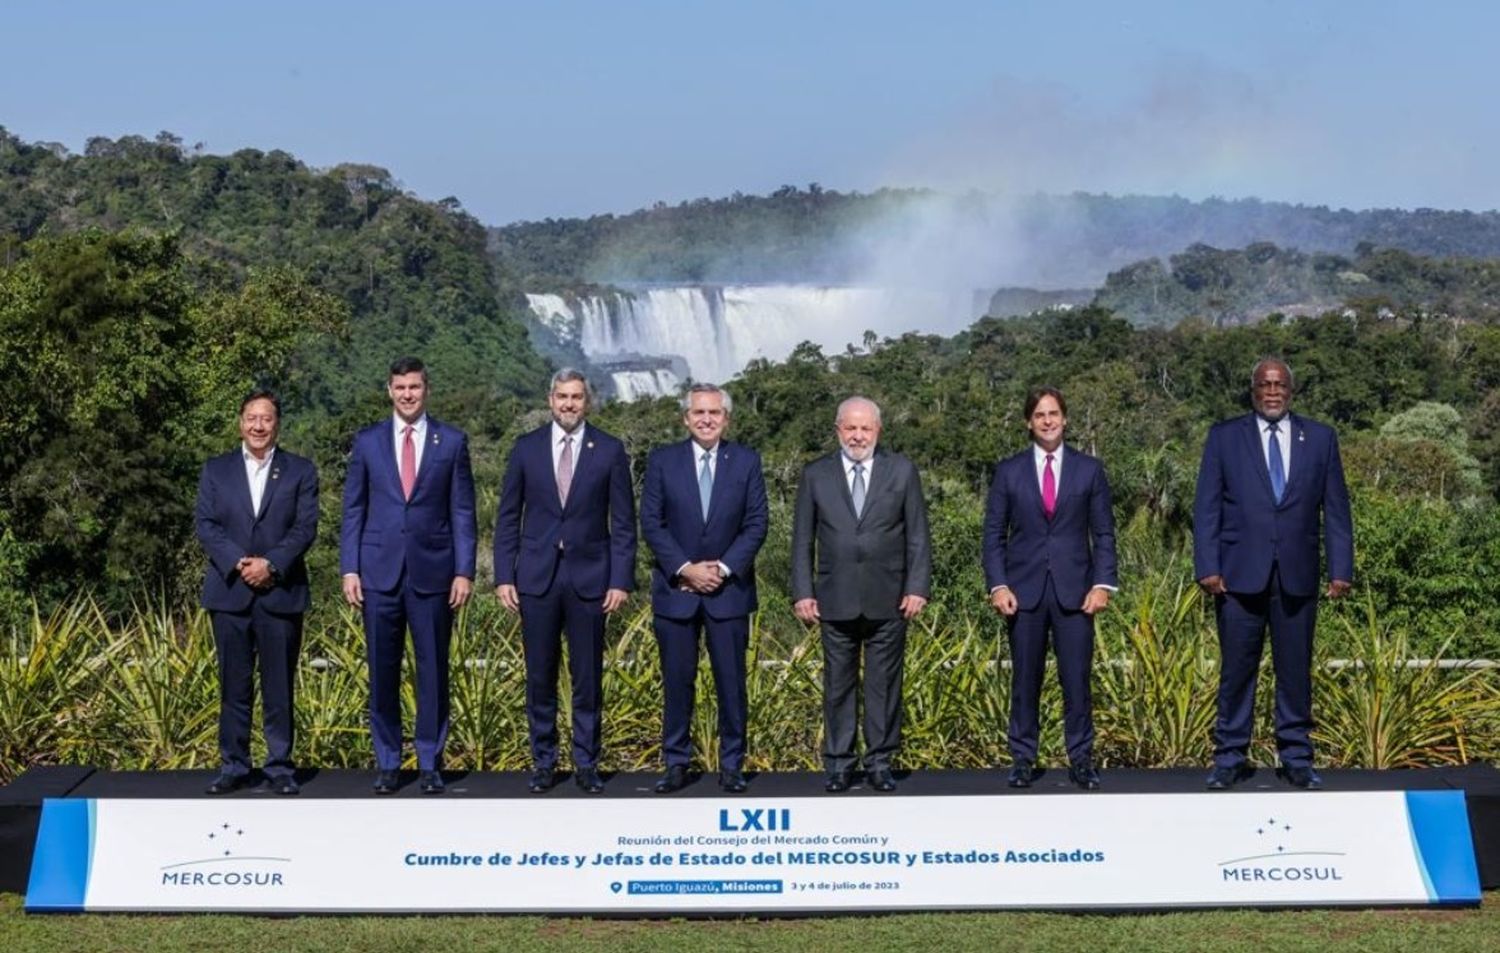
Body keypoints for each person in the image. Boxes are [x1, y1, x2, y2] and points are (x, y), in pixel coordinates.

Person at [1194, 357, 1353, 791]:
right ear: (1253, 390)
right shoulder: (1225, 437)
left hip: (1297, 575)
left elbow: (1336, 509)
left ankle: (1297, 757)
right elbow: (1206, 505)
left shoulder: (1320, 438)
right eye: (1264, 384)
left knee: (1295, 670)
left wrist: (1341, 568)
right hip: (1238, 576)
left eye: (1279, 384)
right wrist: (1207, 565)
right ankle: (1229, 758)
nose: (1272, 391)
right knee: (1236, 671)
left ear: (1291, 390)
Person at [494, 369, 636, 795]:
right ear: (550, 399)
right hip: (535, 579)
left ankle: (587, 762)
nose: (569, 404)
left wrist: (620, 579)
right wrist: (504, 575)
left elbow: (624, 524)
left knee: (588, 676)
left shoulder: (609, 450)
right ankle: (543, 762)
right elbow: (507, 518)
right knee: (540, 675)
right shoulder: (526, 448)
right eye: (562, 397)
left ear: (586, 401)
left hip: (591, 579)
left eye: (576, 397)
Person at [340, 357, 476, 795]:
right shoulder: (367, 442)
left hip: (434, 574)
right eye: (400, 387)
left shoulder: (451, 442)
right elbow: (354, 509)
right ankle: (387, 762)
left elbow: (462, 511)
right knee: (382, 669)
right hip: (378, 573)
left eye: (414, 387)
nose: (407, 394)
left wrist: (464, 570)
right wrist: (349, 567)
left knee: (433, 669)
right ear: (389, 390)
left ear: (426, 390)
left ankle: (430, 761)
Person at [791, 396, 931, 793]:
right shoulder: (815, 474)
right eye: (850, 428)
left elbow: (918, 535)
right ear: (838, 430)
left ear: (878, 431)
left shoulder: (902, 471)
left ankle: (880, 762)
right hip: (833, 598)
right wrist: (803, 591)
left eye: (865, 428)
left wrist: (917, 587)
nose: (857, 435)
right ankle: (838, 764)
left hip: (890, 598)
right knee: (838, 684)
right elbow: (801, 539)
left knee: (884, 684)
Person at [982, 387, 1118, 790]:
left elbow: (1104, 533)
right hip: (1022, 595)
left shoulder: (1089, 470)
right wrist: (998, 585)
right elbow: (993, 535)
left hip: (1076, 594)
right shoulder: (1008, 471)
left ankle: (1081, 759)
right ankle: (1023, 758)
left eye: (1054, 413)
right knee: (1025, 679)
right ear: (1028, 421)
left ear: (1065, 418)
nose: (1047, 420)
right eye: (1039, 414)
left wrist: (1103, 584)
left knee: (1076, 679)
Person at [639, 383, 768, 794]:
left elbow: (756, 524)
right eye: (699, 413)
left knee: (732, 684)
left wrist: (724, 569)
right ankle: (676, 763)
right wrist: (686, 569)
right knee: (677, 682)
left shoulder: (746, 461)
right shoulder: (662, 461)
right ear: (686, 418)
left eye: (714, 413)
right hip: (676, 592)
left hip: (728, 594)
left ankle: (732, 765)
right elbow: (652, 523)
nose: (707, 419)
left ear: (726, 418)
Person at [194, 390, 319, 796]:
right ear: (240, 422)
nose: (258, 425)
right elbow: (207, 525)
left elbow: (304, 528)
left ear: (277, 423)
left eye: (266, 418)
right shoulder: (216, 470)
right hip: (230, 592)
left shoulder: (300, 471)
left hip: (280, 592)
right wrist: (240, 563)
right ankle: (234, 764)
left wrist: (271, 565)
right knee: (234, 685)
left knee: (279, 685)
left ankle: (279, 766)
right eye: (251, 418)